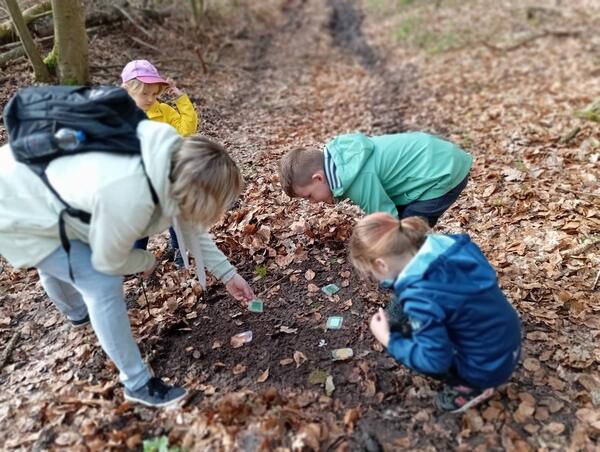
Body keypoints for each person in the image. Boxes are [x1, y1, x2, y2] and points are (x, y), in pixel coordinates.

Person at [0, 122, 255, 408]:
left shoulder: (169, 162)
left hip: (29, 177)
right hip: (17, 206)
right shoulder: (129, 193)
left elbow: (188, 224)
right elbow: (108, 258)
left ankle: (77, 314)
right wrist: (145, 259)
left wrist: (228, 274)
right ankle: (137, 383)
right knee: (99, 282)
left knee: (59, 264)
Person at [349, 213, 521, 413]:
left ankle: (472, 388)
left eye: (373, 274)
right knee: (406, 316)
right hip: (507, 338)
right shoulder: (447, 244)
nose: (376, 280)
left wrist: (388, 339)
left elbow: (435, 361)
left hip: (488, 366)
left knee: (402, 334)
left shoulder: (422, 298)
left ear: (381, 264)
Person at [279, 132, 473, 226]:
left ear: (318, 178)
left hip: (441, 173)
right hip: (437, 159)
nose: (312, 202)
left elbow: (387, 220)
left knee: (407, 231)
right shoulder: (344, 160)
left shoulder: (357, 179)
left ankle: (412, 283)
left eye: (309, 196)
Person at [121, 59, 199, 266]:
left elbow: (186, 128)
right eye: (144, 94)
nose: (150, 99)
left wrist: (180, 98)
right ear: (128, 91)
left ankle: (180, 250)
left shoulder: (163, 111)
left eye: (154, 94)